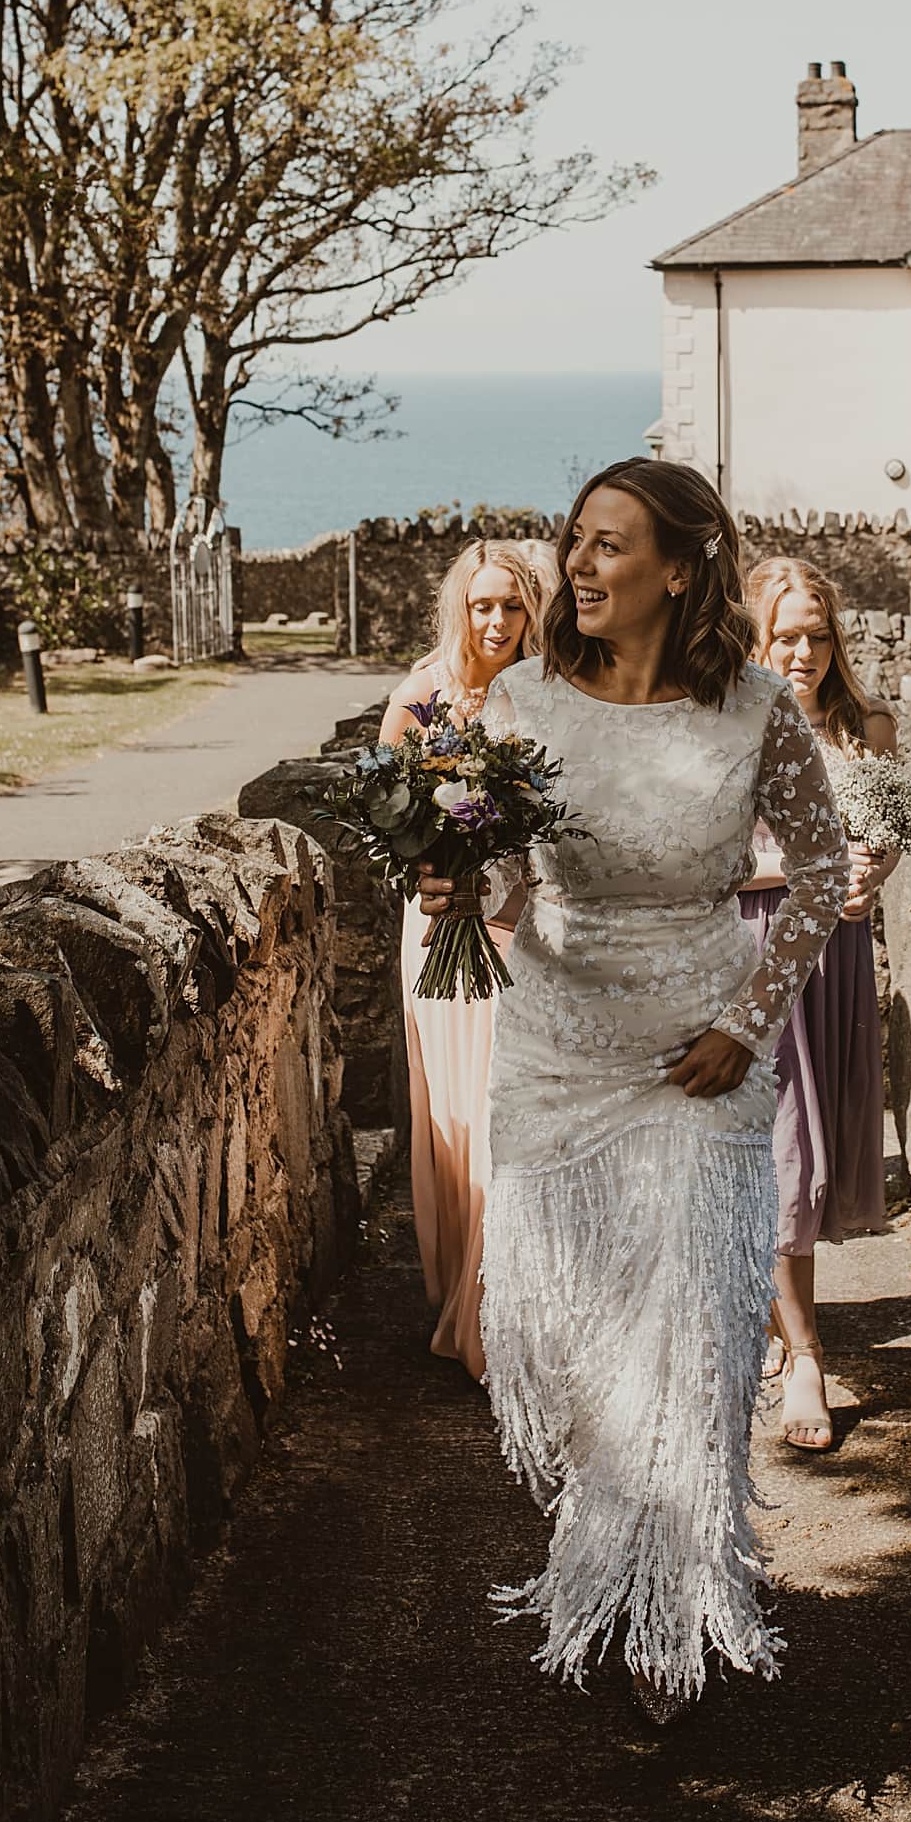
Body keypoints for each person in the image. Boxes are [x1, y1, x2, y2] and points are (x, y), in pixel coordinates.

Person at [419, 459, 849, 1721]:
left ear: (679, 568)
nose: (584, 568)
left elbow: (820, 872)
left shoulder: (756, 707)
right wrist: (460, 888)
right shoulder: (523, 705)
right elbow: (504, 885)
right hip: (558, 1052)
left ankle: (675, 1616)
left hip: (700, 1056)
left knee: (697, 1340)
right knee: (570, 1347)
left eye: (612, 547)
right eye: (578, 543)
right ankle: (613, 1557)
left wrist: (744, 1019)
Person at [741, 556, 899, 1451]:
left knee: (807, 1144)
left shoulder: (866, 726)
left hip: (837, 959)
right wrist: (809, 872)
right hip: (757, 951)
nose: (802, 652)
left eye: (817, 634)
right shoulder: (728, 726)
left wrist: (871, 876)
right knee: (784, 1149)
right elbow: (708, 863)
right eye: (785, 635)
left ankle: (773, 1320)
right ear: (757, 637)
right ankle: (808, 1357)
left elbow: (885, 839)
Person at [381, 539, 548, 1382]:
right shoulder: (419, 697)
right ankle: (460, 1301)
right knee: (449, 1117)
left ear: (531, 612)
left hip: (518, 929)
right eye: (482, 605)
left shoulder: (545, 694)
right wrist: (436, 868)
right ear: (461, 606)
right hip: (441, 927)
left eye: (511, 607)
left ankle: (499, 1310)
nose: (496, 621)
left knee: (501, 1114)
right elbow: (393, 825)